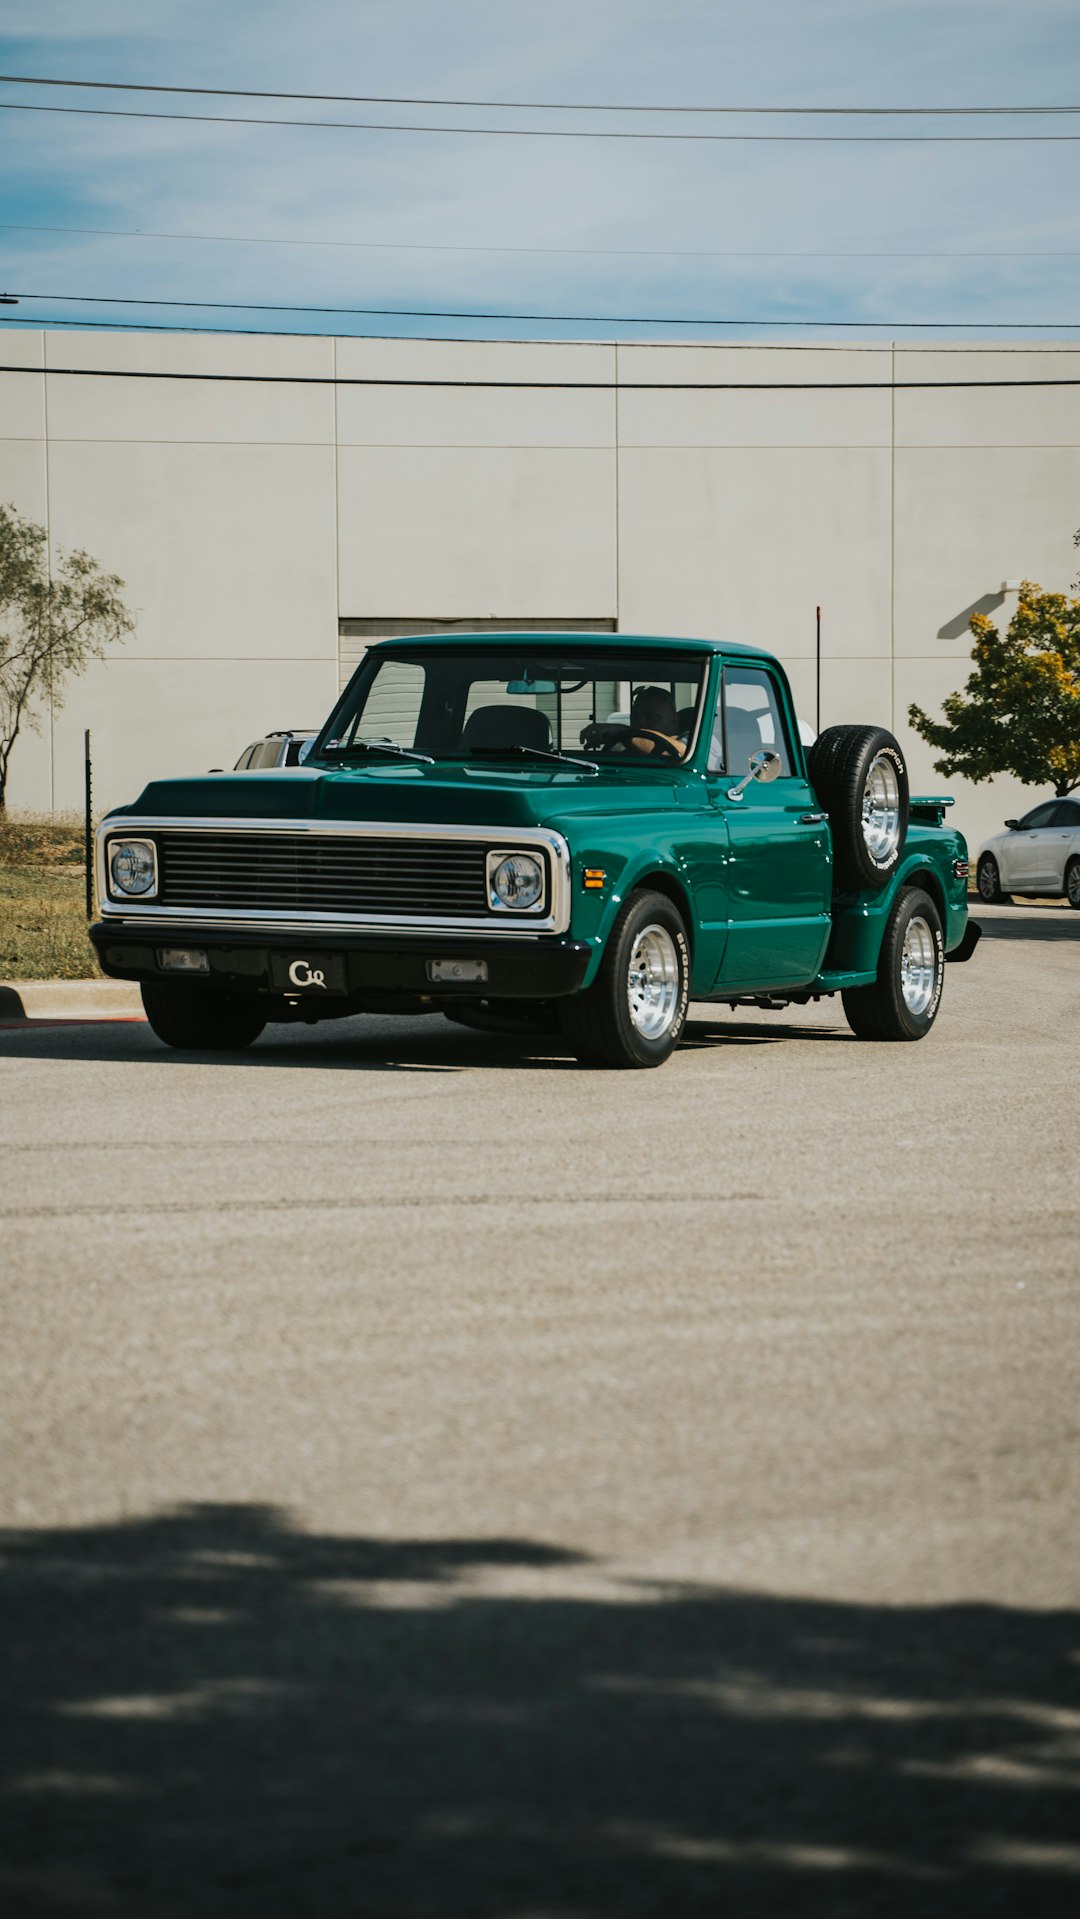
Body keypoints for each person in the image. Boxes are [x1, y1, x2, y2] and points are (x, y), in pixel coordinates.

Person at [628, 685, 687, 757]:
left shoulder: (692, 738)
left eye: (653, 717)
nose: (641, 722)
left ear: (674, 720)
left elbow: (683, 752)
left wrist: (622, 732)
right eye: (636, 716)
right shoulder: (622, 744)